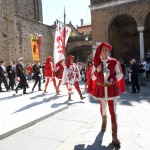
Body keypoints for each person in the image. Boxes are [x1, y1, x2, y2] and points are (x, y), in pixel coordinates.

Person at [87, 42, 126, 146]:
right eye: (103, 49)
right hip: (100, 90)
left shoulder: (114, 62)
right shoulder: (96, 63)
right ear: (100, 51)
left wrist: (113, 79)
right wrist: (97, 71)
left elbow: (120, 74)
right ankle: (104, 122)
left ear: (109, 51)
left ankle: (114, 136)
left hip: (111, 89)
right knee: (103, 108)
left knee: (113, 111)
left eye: (106, 50)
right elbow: (93, 78)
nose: (104, 51)